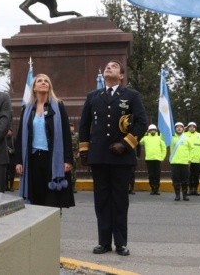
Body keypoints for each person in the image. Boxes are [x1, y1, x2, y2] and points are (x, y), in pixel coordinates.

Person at [78, 60, 147, 257]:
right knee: (101, 201)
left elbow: (142, 123)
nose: (109, 67)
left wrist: (125, 144)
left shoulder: (131, 96)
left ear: (122, 76)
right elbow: (84, 125)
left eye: (114, 66)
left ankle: (121, 243)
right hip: (99, 156)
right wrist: (84, 150)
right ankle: (103, 242)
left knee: (119, 201)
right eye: (107, 66)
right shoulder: (93, 96)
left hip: (121, 158)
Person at [14, 74, 75, 208]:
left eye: (46, 81)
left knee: (53, 199)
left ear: (49, 86)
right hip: (33, 159)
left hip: (53, 159)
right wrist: (18, 161)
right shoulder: (27, 109)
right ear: (34, 88)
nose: (43, 83)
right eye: (39, 81)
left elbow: (66, 134)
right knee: (36, 198)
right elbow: (20, 137)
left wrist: (68, 160)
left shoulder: (58, 106)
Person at [169, 122, 192, 201]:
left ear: (183, 128)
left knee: (185, 180)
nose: (179, 128)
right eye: (177, 127)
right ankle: (177, 195)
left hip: (184, 162)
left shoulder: (187, 138)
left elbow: (191, 149)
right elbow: (162, 137)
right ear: (174, 129)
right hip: (174, 162)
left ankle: (185, 196)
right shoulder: (171, 137)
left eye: (181, 127)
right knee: (175, 180)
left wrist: (189, 159)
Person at [141, 124, 166, 195]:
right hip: (149, 159)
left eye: (154, 130)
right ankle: (152, 189)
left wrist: (162, 157)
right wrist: (145, 134)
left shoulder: (159, 137)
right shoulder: (145, 138)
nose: (153, 131)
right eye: (151, 130)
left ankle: (157, 189)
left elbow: (163, 148)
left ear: (156, 130)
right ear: (149, 131)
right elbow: (140, 141)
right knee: (151, 175)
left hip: (157, 159)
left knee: (157, 175)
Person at [185, 122, 200, 196]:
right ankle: (190, 190)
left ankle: (195, 190)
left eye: (193, 126)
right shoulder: (184, 135)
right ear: (188, 127)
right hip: (188, 160)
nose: (191, 128)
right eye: (190, 126)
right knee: (189, 176)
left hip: (197, 159)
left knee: (196, 176)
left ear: (195, 127)